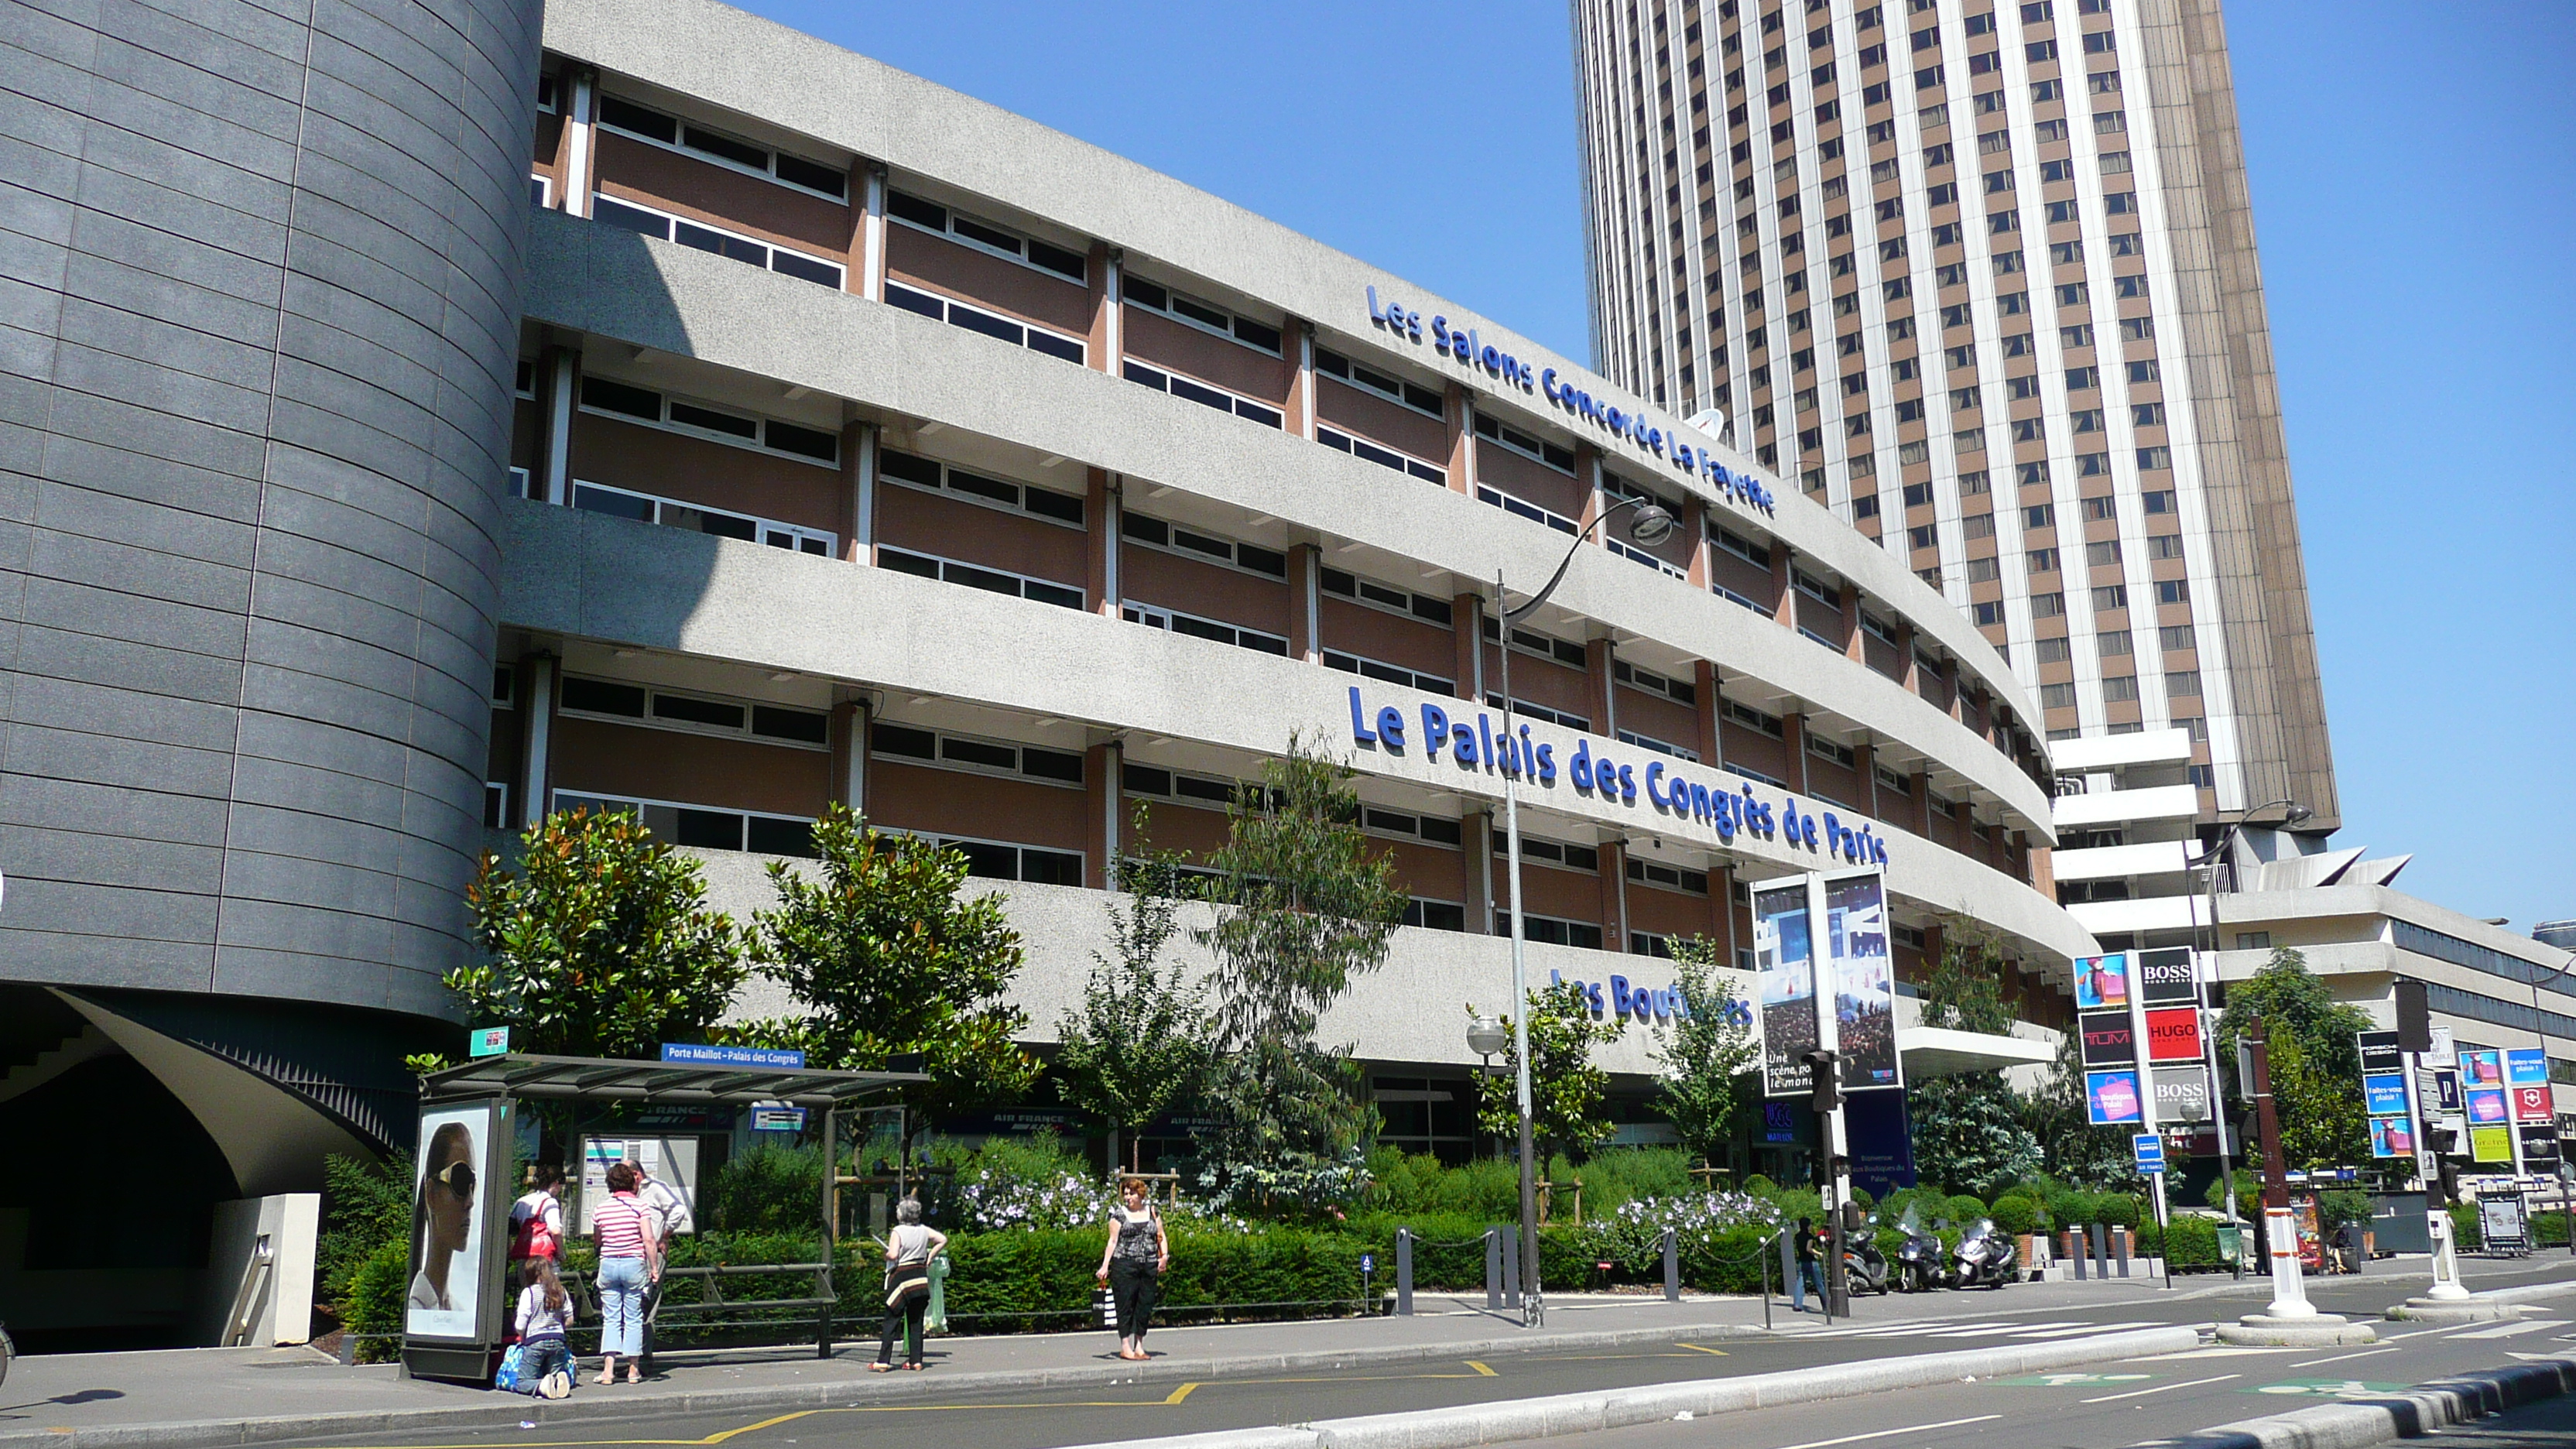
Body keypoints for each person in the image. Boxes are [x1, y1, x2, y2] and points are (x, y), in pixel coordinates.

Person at [591, 1160, 662, 1386]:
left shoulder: (601, 1208)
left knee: (611, 1318)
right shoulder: (640, 1207)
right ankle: (633, 1370)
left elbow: (598, 1240)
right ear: (631, 1182)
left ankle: (608, 1371)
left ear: (610, 1184)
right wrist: (654, 1268)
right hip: (633, 1264)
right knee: (633, 1318)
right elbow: (649, 1240)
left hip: (609, 1264)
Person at [1094, 1178, 1169, 1361]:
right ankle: (1125, 1347)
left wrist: (1164, 1257)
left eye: (1131, 1193)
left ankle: (1140, 1347)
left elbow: (1161, 1236)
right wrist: (1105, 1265)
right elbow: (1112, 1242)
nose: (1128, 1197)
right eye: (1125, 1193)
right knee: (1125, 1305)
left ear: (1141, 1194)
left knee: (1144, 1305)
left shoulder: (1152, 1212)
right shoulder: (1119, 1215)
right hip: (1125, 1265)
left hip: (1149, 1265)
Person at [872, 1199, 947, 1372]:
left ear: (901, 1214)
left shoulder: (898, 1231)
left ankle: (883, 1361)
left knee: (892, 1319)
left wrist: (885, 1254)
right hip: (920, 1277)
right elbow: (942, 1239)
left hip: (902, 1277)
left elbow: (893, 1255)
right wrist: (930, 1256)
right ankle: (916, 1361)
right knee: (916, 1321)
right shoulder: (923, 1230)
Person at [409, 1122, 477, 1312]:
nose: (470, 1202)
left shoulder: (458, 1311)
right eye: (460, 1181)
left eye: (472, 1184)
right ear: (431, 1193)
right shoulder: (416, 1308)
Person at [512, 1259, 576, 1399]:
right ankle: (557, 1381)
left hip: (536, 1340)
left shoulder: (529, 1293)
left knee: (522, 1381)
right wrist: (558, 1329)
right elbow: (570, 1319)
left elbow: (520, 1325)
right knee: (551, 1374)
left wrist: (524, 1337)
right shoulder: (560, 1291)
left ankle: (540, 1385)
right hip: (558, 1339)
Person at [510, 1164, 566, 1266]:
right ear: (556, 1183)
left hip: (524, 1258)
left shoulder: (521, 1201)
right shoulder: (550, 1202)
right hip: (543, 1259)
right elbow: (556, 1232)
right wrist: (561, 1254)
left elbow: (509, 1230)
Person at [1793, 1217, 1823, 1312]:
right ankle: (1826, 1305)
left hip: (1801, 1261)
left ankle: (1797, 1304)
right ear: (1808, 1226)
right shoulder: (1809, 1236)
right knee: (1819, 1284)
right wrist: (1819, 1253)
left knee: (1800, 1284)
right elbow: (1808, 1249)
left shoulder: (1797, 1236)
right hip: (1811, 1262)